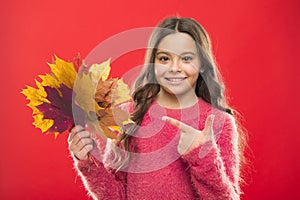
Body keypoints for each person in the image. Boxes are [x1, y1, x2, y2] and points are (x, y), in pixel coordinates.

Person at [68, 17, 247, 200]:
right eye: (164, 58)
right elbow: (115, 195)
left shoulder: (220, 122)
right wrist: (89, 160)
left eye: (186, 58)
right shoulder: (129, 114)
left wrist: (202, 155)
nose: (174, 68)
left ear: (202, 64)